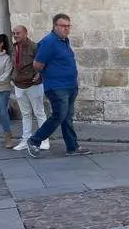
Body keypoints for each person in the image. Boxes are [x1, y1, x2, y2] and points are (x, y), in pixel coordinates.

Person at [26, 14, 91, 158]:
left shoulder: (64, 41)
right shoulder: (49, 42)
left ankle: (72, 147)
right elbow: (37, 64)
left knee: (67, 117)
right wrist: (46, 74)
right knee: (59, 115)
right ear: (55, 26)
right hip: (56, 87)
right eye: (63, 26)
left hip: (70, 86)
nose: (66, 29)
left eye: (68, 26)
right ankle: (34, 141)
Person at [11, 26, 50, 151]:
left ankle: (44, 140)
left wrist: (39, 74)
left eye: (18, 33)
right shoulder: (13, 47)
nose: (15, 35)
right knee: (25, 114)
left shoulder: (34, 46)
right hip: (19, 84)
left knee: (39, 112)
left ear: (26, 33)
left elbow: (44, 62)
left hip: (33, 84)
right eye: (14, 33)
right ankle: (25, 140)